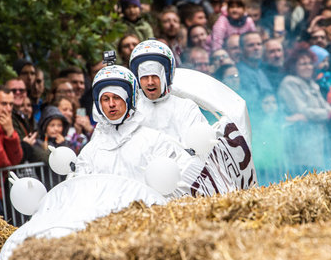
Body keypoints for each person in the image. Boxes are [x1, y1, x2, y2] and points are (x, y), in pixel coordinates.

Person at [74, 65, 224, 196]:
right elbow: (78, 193)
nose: (111, 104)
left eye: (117, 97)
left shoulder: (156, 141)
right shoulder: (89, 152)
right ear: (99, 105)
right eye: (105, 99)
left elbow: (184, 182)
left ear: (129, 100)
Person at [277, 44, 331, 174]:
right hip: (300, 143)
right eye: (303, 64)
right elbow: (303, 110)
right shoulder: (289, 82)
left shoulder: (311, 84)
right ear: (293, 66)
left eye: (310, 63)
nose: (308, 67)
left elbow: (325, 107)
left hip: (317, 143)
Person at [129, 39, 209, 144]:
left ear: (166, 77)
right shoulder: (130, 112)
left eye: (155, 76)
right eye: (144, 77)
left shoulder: (186, 107)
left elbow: (201, 146)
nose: (150, 82)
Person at [236, 32, 273, 116]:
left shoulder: (261, 71)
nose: (256, 48)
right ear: (241, 49)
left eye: (259, 44)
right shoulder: (238, 73)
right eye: (251, 45)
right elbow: (252, 104)